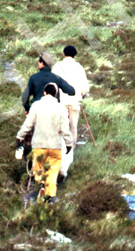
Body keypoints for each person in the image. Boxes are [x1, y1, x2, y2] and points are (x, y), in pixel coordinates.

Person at [16, 83, 72, 203]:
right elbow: (65, 129)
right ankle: (49, 197)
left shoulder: (36, 106)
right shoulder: (61, 108)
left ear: (45, 92)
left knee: (39, 171)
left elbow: (28, 125)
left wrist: (19, 136)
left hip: (39, 146)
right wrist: (69, 143)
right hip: (55, 147)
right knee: (52, 174)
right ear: (55, 94)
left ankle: (40, 188)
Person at [51, 45, 89, 183]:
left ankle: (58, 159)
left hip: (61, 102)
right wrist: (81, 96)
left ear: (63, 54)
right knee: (73, 129)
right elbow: (84, 87)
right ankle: (67, 160)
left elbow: (53, 85)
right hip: (74, 102)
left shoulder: (57, 67)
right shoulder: (79, 67)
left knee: (61, 130)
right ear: (75, 55)